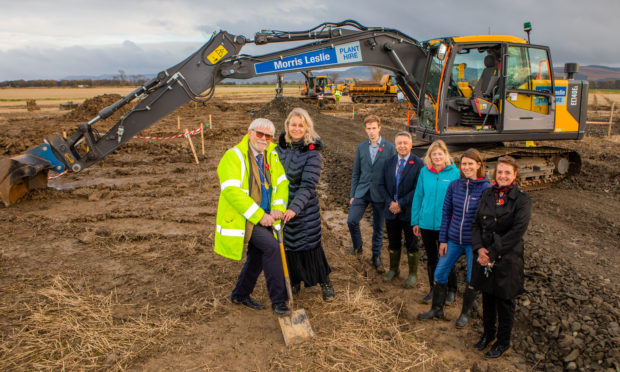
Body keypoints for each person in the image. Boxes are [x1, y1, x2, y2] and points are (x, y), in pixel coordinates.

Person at [214, 118, 291, 316]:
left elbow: (282, 183)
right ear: (249, 133)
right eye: (259, 134)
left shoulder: (270, 156)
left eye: (268, 136)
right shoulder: (234, 156)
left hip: (266, 215)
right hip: (247, 217)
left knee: (257, 256)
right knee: (273, 248)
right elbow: (232, 191)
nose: (264, 139)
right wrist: (258, 216)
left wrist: (276, 208)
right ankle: (279, 301)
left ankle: (240, 294)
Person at [417, 148, 490, 327]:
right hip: (453, 239)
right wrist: (443, 240)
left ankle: (465, 314)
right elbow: (446, 212)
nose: (466, 167)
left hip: (473, 243)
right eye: (464, 164)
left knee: (472, 278)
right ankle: (437, 309)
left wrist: (483, 246)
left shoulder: (486, 189)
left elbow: (486, 220)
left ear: (478, 165)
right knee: (440, 272)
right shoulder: (455, 185)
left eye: (470, 164)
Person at [470, 156, 531, 358]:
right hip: (485, 255)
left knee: (505, 303)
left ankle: (503, 342)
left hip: (507, 258)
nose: (503, 176)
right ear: (495, 173)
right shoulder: (487, 193)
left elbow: (517, 232)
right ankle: (488, 335)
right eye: (500, 172)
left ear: (515, 175)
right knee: (487, 299)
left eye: (507, 172)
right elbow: (476, 223)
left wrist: (492, 254)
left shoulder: (522, 200)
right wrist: (479, 249)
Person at [276, 108, 334, 301]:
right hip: (282, 209)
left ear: (307, 127)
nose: (297, 128)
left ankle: (324, 281)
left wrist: (294, 208)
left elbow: (309, 186)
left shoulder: (312, 152)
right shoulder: (278, 149)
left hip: (304, 211)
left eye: (301, 125)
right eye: (293, 124)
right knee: (289, 249)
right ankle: (294, 281)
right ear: (287, 126)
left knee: (310, 249)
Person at [411, 140, 460, 303]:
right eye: (434, 154)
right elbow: (418, 196)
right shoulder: (424, 172)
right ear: (430, 156)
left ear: (445, 155)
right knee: (431, 258)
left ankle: (452, 290)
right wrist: (415, 221)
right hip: (426, 223)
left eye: (440, 153)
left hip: (446, 224)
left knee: (447, 258)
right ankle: (433, 289)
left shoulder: (454, 173)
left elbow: (458, 200)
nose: (437, 157)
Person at [348, 115, 396, 272]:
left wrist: (391, 197)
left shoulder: (389, 148)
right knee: (352, 221)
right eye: (368, 128)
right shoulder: (361, 147)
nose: (371, 131)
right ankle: (358, 246)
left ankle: (376, 256)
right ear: (365, 129)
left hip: (380, 193)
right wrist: (353, 194)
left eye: (374, 128)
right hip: (362, 190)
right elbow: (356, 172)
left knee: (378, 227)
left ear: (379, 128)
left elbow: (393, 174)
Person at [379, 132, 423, 287]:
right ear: (395, 145)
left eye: (405, 143)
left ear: (411, 145)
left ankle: (412, 274)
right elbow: (381, 185)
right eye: (399, 143)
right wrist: (391, 202)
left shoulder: (418, 164)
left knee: (411, 243)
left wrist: (401, 203)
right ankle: (394, 269)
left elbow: (418, 188)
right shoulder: (388, 162)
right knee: (393, 241)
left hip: (409, 212)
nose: (402, 146)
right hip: (391, 211)